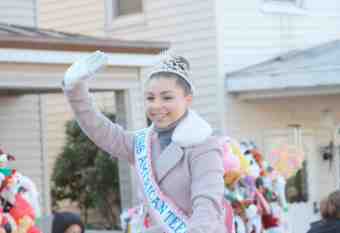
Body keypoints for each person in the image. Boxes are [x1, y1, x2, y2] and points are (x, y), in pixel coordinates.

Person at [62, 51, 227, 233]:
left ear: (188, 100)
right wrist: (75, 89)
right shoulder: (142, 143)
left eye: (167, 97)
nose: (156, 105)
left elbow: (207, 204)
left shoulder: (204, 145)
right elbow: (101, 131)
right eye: (150, 98)